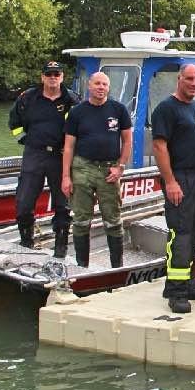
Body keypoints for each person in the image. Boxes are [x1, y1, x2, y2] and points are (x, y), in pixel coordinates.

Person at [151, 64, 195, 313]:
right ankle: (177, 292)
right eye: (189, 78)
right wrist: (170, 181)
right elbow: (159, 147)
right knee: (180, 234)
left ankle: (184, 280)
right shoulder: (166, 109)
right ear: (179, 80)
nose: (193, 83)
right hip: (180, 177)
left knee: (194, 231)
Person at [8, 60, 79, 257]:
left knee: (62, 205)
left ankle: (60, 250)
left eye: (57, 74)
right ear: (42, 77)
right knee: (23, 203)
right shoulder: (27, 98)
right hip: (34, 154)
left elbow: (80, 128)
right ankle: (26, 243)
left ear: (62, 77)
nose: (53, 78)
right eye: (49, 74)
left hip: (60, 156)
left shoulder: (72, 100)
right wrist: (26, 140)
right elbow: (14, 123)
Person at [62, 71, 132, 268]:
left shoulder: (119, 110)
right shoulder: (77, 112)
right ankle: (81, 266)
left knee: (113, 219)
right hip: (82, 167)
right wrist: (66, 177)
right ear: (89, 87)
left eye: (105, 84)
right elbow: (68, 146)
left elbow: (127, 141)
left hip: (109, 170)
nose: (101, 87)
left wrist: (120, 167)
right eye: (97, 84)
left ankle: (117, 267)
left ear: (108, 88)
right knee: (81, 219)